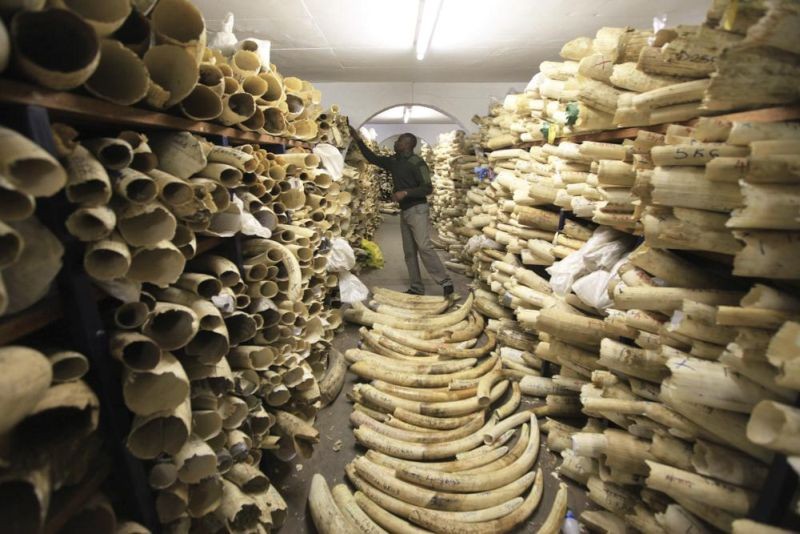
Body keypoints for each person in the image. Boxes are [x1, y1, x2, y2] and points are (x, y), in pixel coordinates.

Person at [348, 125, 453, 297]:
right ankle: (416, 287)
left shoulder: (418, 163)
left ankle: (445, 281)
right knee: (409, 251)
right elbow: (372, 158)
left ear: (406, 144)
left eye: (398, 141)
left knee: (424, 246)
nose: (395, 143)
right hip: (405, 211)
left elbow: (427, 188)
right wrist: (358, 140)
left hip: (418, 209)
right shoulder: (394, 161)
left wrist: (406, 192)